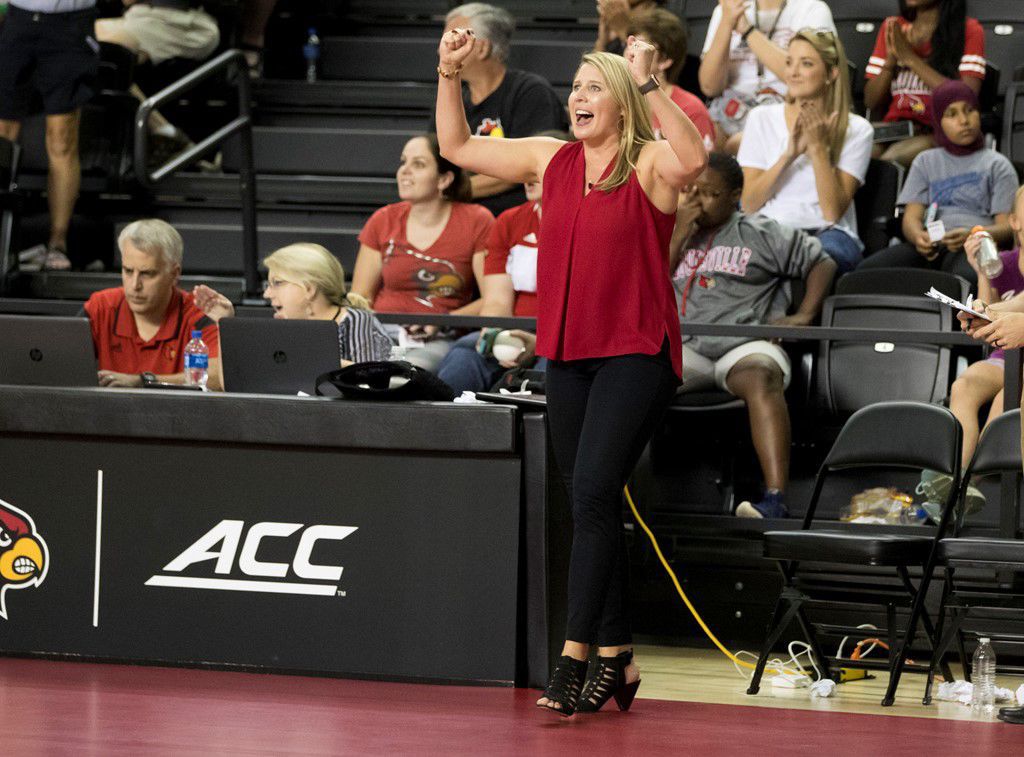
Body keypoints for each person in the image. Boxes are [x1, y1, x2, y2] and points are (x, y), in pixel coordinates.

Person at [437, 26, 707, 715]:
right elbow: (457, 148)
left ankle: (574, 654)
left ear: (620, 102)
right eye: (576, 87)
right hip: (569, 351)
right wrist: (447, 73)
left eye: (594, 88)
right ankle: (618, 657)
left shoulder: (647, 162)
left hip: (636, 351)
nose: (578, 97)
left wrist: (650, 83)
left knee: (590, 489)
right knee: (591, 501)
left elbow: (694, 159)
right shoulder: (549, 157)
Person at [672, 152, 835, 519]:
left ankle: (775, 499)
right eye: (691, 191)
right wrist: (679, 232)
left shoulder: (760, 232)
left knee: (761, 375)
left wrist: (804, 314)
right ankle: (630, 494)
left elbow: (821, 261)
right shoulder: (672, 231)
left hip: (745, 344)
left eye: (710, 194)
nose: (698, 201)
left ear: (734, 195)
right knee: (636, 376)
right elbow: (651, 282)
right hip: (689, 347)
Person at [349, 133, 493, 373]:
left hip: (438, 337)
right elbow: (360, 297)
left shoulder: (476, 220)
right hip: (381, 331)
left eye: (418, 164)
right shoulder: (383, 219)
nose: (404, 171)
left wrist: (441, 321)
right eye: (403, 162)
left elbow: (493, 300)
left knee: (405, 375)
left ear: (444, 179)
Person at [737, 29, 873, 274]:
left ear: (831, 74)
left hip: (828, 234)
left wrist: (818, 148)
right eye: (789, 62)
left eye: (806, 64)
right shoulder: (761, 118)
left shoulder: (857, 129)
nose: (793, 73)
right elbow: (748, 204)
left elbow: (831, 213)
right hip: (769, 228)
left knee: (823, 259)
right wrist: (789, 155)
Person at [858, 80, 1015, 287]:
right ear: (938, 121)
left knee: (963, 279)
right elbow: (911, 218)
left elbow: (1006, 227)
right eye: (952, 114)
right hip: (931, 244)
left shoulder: (997, 165)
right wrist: (918, 238)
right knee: (864, 275)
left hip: (974, 244)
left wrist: (973, 234)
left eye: (970, 111)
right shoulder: (925, 161)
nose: (964, 120)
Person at [438, 3, 568, 216]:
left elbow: (535, 166)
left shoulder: (530, 92)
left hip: (517, 217)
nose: (440, 48)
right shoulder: (453, 98)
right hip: (460, 219)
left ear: (481, 47)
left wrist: (458, 190)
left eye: (454, 39)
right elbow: (439, 154)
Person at [0, 0, 100, 271]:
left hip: (70, 23)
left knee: (62, 137)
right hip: (18, 19)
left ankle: (58, 242)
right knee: (3, 136)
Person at [193, 243, 394, 366]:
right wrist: (224, 323)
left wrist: (303, 363)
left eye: (277, 283)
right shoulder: (283, 327)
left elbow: (368, 382)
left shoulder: (357, 322)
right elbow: (231, 384)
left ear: (309, 289)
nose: (267, 293)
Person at [83, 218, 222, 390]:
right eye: (128, 271)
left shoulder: (198, 316)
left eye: (147, 273)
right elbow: (59, 361)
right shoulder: (101, 307)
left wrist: (144, 381)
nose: (135, 285)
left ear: (174, 274)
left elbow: (218, 379)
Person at [436, 174, 544, 393]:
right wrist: (494, 335)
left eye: (537, 173)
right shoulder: (509, 221)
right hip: (516, 331)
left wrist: (540, 343)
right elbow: (496, 301)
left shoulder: (591, 224)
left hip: (563, 342)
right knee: (463, 357)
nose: (528, 180)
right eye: (525, 173)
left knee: (553, 372)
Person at [699, 0, 835, 154]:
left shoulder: (812, 9)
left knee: (742, 143)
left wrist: (747, 30)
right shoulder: (724, 10)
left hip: (787, 106)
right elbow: (709, 87)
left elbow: (802, 75)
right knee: (703, 140)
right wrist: (726, 21)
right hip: (731, 110)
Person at [864, 0, 985, 168]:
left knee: (890, 162)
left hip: (937, 131)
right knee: (861, 156)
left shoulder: (969, 30)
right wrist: (891, 62)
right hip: (894, 129)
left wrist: (909, 58)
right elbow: (871, 101)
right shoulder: (893, 27)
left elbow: (965, 97)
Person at [95, 0, 220, 157]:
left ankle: (163, 132)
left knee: (97, 47)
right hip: (138, 17)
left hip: (183, 23)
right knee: (83, 41)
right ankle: (163, 131)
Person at [625, 7, 715, 149]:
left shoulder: (691, 110)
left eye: (639, 47)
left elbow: (703, 168)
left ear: (665, 61)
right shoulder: (618, 100)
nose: (629, 53)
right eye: (629, 45)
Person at [593, 0, 664, 56]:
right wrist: (602, 41)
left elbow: (647, 66)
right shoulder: (615, 19)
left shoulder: (661, 23)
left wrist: (623, 31)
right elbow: (593, 70)